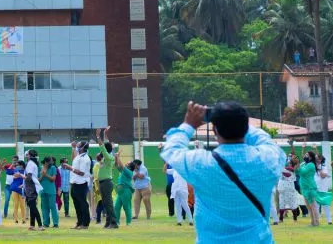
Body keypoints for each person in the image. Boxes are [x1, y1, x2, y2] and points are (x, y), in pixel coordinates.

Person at [161, 100, 286, 243]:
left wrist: (188, 125)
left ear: (214, 130)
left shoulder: (202, 163)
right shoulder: (267, 160)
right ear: (245, 128)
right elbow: (265, 140)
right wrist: (236, 119)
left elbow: (172, 150)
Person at [95, 128, 118, 228]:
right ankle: (108, 222)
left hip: (106, 182)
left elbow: (102, 146)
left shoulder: (109, 157)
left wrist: (98, 136)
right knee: (106, 203)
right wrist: (105, 133)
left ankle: (113, 223)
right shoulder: (108, 156)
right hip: (103, 182)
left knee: (108, 203)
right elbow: (106, 144)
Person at [68, 141, 92, 229]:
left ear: (82, 147)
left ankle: (85, 223)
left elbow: (82, 173)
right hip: (75, 183)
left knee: (83, 204)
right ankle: (79, 222)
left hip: (81, 183)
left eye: (78, 145)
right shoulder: (79, 156)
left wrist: (70, 168)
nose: (77, 145)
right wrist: (73, 148)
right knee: (77, 204)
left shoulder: (85, 158)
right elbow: (73, 159)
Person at [112, 151, 135, 226]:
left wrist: (118, 157)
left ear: (130, 167)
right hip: (120, 191)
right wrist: (116, 157)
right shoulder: (124, 171)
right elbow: (116, 165)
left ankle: (129, 223)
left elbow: (121, 166)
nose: (126, 164)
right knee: (116, 207)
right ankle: (117, 222)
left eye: (127, 163)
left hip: (126, 191)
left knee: (126, 207)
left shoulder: (129, 172)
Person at [22, 153, 42, 231]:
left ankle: (40, 225)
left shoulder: (30, 164)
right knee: (31, 206)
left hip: (31, 188)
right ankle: (32, 225)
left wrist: (20, 176)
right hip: (29, 187)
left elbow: (29, 177)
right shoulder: (31, 163)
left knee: (33, 207)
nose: (26, 156)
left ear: (30, 156)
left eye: (27, 154)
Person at [40, 156, 59, 229]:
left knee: (52, 207)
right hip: (43, 190)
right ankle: (45, 223)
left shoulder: (53, 168)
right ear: (46, 162)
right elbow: (39, 180)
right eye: (50, 161)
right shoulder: (40, 168)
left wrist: (46, 175)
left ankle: (55, 223)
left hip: (51, 190)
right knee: (44, 208)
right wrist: (42, 175)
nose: (52, 162)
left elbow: (53, 179)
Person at [8, 159, 25, 225]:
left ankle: (23, 219)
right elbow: (8, 171)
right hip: (15, 189)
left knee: (22, 205)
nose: (16, 166)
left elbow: (27, 179)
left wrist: (23, 185)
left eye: (18, 165)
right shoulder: (15, 170)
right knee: (15, 205)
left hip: (22, 190)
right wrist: (12, 165)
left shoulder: (25, 171)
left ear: (22, 165)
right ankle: (16, 219)